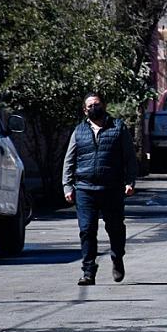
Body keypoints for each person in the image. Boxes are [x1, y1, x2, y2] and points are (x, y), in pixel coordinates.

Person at [62, 93, 137, 286]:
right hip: (85, 189)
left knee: (115, 228)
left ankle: (117, 257)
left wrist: (130, 182)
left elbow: (130, 157)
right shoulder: (79, 131)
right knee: (87, 230)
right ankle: (88, 272)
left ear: (103, 105)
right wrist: (67, 186)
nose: (93, 107)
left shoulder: (118, 128)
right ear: (84, 110)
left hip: (111, 188)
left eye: (97, 104)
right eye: (89, 105)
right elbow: (69, 160)